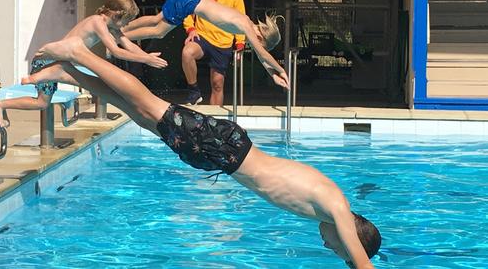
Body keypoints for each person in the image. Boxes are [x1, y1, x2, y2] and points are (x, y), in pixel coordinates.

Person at [29, 36, 381, 269]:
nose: (329, 247)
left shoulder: (328, 207)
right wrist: (356, 258)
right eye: (338, 250)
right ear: (353, 239)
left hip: (222, 156)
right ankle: (79, 53)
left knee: (140, 116)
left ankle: (69, 73)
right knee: (148, 104)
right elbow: (363, 265)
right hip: (227, 149)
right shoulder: (337, 208)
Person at [0, 0, 167, 127]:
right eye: (126, 20)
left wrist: (146, 56)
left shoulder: (110, 26)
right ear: (116, 14)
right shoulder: (98, 21)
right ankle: (20, 89)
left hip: (59, 63)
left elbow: (129, 45)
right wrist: (144, 61)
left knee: (41, 103)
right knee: (45, 101)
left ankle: (1, 104)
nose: (127, 24)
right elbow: (115, 51)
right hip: (47, 61)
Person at [121, 0, 289, 91]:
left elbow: (261, 56)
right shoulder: (246, 25)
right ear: (261, 37)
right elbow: (264, 55)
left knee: (156, 20)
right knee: (159, 30)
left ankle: (120, 30)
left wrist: (273, 74)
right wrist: (281, 71)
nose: (255, 46)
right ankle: (120, 35)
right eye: (260, 44)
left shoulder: (246, 22)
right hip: (191, 3)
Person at [181, 0, 246, 106]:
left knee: (217, 83)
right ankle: (194, 91)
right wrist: (190, 29)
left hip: (223, 42)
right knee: (187, 52)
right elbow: (187, 11)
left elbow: (240, 20)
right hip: (202, 36)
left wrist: (240, 43)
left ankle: (214, 122)